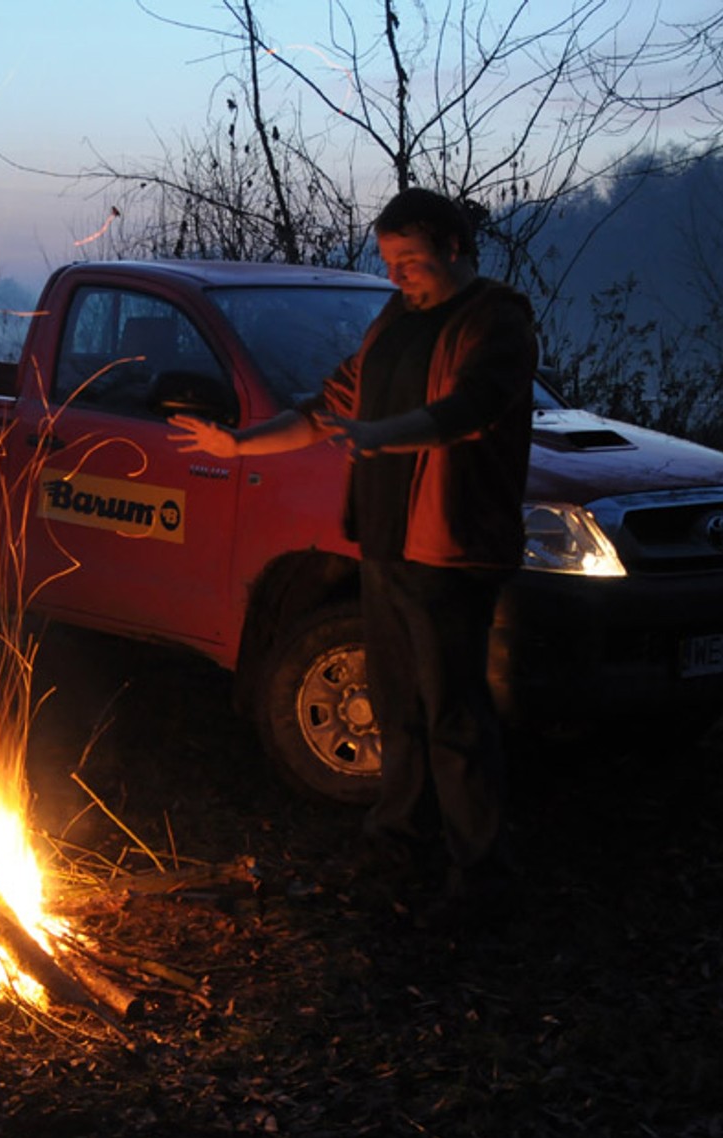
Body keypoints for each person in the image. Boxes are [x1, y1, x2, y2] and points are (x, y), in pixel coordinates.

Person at [169, 188, 536, 922]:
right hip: (385, 542)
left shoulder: (495, 318)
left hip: (452, 550)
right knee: (396, 709)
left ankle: (482, 878)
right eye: (388, 261)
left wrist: (383, 434)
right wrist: (238, 445)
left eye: (410, 260)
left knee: (453, 715)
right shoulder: (394, 320)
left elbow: (472, 409)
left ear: (454, 248)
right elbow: (327, 408)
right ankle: (397, 849)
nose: (396, 274)